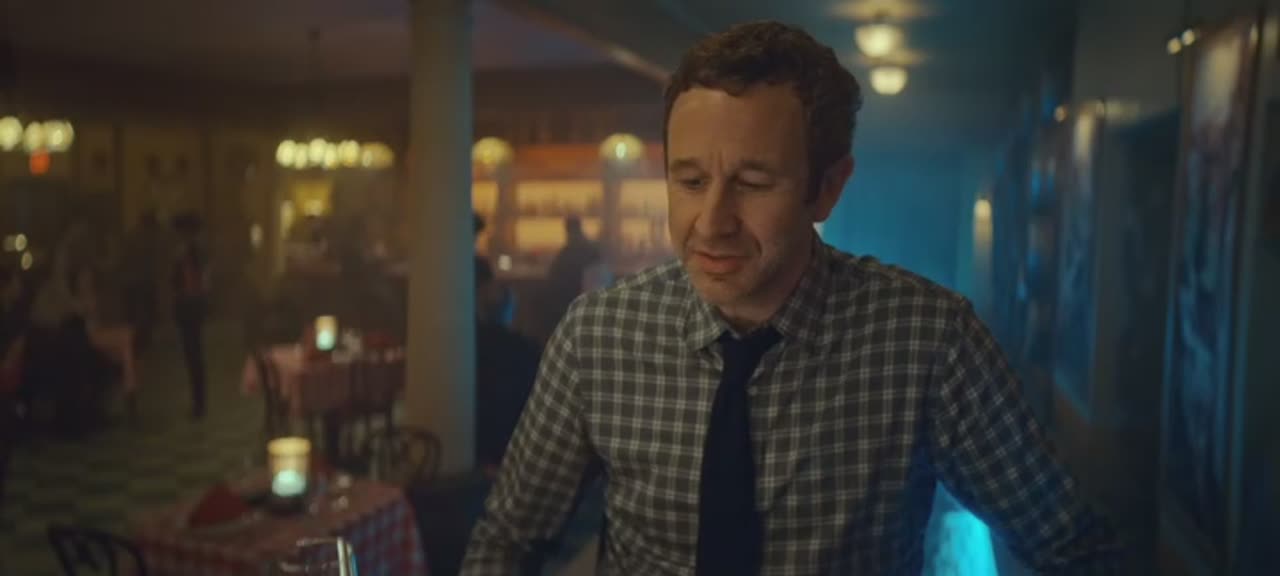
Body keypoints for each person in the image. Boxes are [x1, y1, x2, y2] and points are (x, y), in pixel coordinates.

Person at [462, 21, 1121, 575]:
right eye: (689, 181)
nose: (711, 223)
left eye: (753, 183)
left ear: (827, 188)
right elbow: (509, 541)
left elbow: (1071, 545)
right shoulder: (598, 335)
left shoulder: (929, 340)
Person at [171, 213, 209, 419]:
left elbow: (194, 280)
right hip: (188, 305)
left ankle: (199, 403)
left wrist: (189, 295)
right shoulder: (189, 251)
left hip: (190, 305)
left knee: (194, 355)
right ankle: (198, 402)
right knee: (192, 355)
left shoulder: (192, 252)